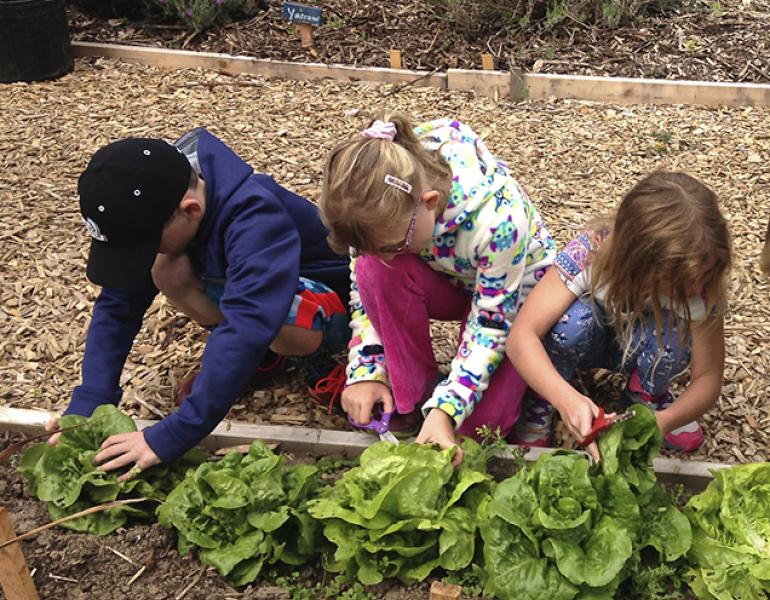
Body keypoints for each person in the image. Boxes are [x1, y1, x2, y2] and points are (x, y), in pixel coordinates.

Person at [46, 128, 351, 478]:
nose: (143, 255)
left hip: (329, 300)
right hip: (244, 291)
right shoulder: (164, 197)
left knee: (275, 310)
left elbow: (246, 324)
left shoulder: (255, 216)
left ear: (190, 210)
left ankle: (314, 360)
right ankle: (267, 358)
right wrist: (92, 398)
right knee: (166, 267)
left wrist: (172, 434)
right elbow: (118, 304)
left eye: (146, 244)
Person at [319, 114, 555, 463]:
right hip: (451, 278)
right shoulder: (369, 200)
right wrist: (366, 369)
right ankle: (411, 397)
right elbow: (365, 288)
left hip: (513, 301)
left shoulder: (499, 222)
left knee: (476, 431)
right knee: (374, 268)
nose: (388, 256)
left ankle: (517, 399)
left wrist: (448, 411)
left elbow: (490, 327)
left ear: (429, 202)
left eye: (395, 245)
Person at [507, 171, 731, 460]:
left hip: (645, 345)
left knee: (676, 333)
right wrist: (564, 397)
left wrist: (663, 422)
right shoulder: (591, 253)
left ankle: (647, 395)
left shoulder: (701, 282)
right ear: (637, 263)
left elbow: (708, 377)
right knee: (569, 323)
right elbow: (522, 336)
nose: (699, 288)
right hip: (593, 339)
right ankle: (544, 396)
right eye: (682, 284)